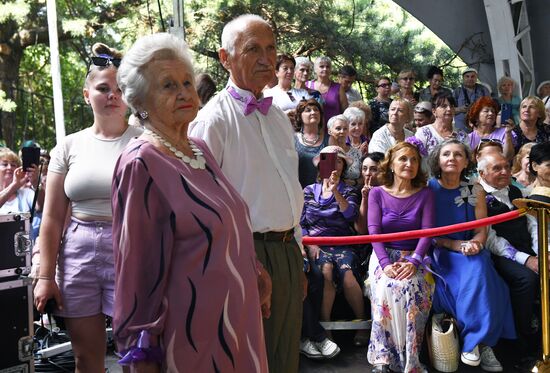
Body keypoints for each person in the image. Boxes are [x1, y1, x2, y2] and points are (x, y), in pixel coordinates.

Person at [111, 33, 268, 372]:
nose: (184, 92)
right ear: (141, 101)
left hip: (238, 324)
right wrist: (142, 354)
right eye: (167, 85)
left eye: (186, 81)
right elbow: (137, 274)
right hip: (192, 340)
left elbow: (225, 224)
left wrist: (254, 269)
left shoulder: (199, 150)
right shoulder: (141, 163)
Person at [188, 14, 305, 373]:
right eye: (252, 49)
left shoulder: (280, 118)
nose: (266, 59)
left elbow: (289, 190)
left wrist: (297, 254)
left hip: (287, 251)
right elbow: (202, 209)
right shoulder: (213, 121)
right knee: (250, 361)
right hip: (244, 255)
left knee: (285, 357)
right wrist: (241, 264)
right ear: (225, 58)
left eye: (271, 49)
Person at [33, 43, 143, 372]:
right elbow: (51, 219)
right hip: (77, 253)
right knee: (86, 359)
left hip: (130, 247)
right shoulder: (67, 146)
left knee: (135, 357)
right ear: (86, 94)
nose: (112, 95)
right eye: (103, 88)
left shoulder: (145, 142)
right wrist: (45, 276)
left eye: (120, 89)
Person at [427, 139, 515, 372]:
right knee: (479, 275)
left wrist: (475, 244)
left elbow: (480, 230)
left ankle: (478, 343)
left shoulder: (472, 189)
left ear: (467, 161)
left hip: (470, 250)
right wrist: (454, 244)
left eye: (458, 154)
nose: (452, 158)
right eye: (446, 154)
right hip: (441, 251)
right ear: (438, 159)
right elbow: (425, 232)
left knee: (480, 268)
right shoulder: (427, 188)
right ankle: (479, 342)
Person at [366, 142, 434, 373]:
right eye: (403, 159)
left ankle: (410, 361)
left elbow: (427, 233)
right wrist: (385, 265)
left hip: (415, 255)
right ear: (391, 164)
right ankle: (382, 358)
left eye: (414, 159)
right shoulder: (377, 193)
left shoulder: (425, 193)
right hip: (383, 254)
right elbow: (374, 232)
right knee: (387, 286)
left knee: (412, 287)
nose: (409, 164)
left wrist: (414, 261)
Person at [301, 146, 367, 348]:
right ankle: (326, 328)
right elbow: (301, 222)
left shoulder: (349, 190)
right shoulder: (309, 190)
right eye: (328, 160)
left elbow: (351, 216)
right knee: (326, 271)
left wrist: (336, 190)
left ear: (343, 166)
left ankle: (362, 325)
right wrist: (308, 243)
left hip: (343, 244)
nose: (333, 165)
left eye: (339, 161)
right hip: (316, 245)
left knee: (347, 274)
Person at [479, 152, 539, 365]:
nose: (505, 172)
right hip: (499, 254)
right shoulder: (478, 196)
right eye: (497, 168)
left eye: (506, 166)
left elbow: (533, 223)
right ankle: (520, 344)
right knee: (527, 279)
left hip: (527, 249)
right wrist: (527, 260)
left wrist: (541, 253)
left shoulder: (516, 190)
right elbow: (491, 240)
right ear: (482, 173)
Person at [414, 92, 468, 160]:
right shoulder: (423, 133)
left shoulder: (462, 136)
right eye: (444, 106)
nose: (449, 109)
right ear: (434, 111)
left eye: (451, 106)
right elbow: (416, 158)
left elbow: (467, 160)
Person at [295, 98, 328, 187]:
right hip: (296, 191)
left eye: (316, 110)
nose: (313, 112)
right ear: (300, 116)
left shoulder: (329, 140)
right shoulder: (292, 138)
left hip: (320, 193)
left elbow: (331, 171)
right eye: (308, 110)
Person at [306, 56, 348, 124]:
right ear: (315, 69)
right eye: (321, 66)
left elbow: (345, 112)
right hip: (311, 129)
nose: (325, 69)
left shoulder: (338, 88)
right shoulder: (307, 85)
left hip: (334, 131)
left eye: (328, 67)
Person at [327, 114, 362, 186]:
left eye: (345, 128)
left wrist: (354, 182)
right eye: (338, 128)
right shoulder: (325, 153)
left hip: (354, 192)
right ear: (330, 131)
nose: (342, 131)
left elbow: (363, 178)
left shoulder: (357, 153)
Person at [453, 67, 491, 131]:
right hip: (462, 127)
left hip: (480, 125)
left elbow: (490, 106)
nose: (470, 79)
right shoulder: (457, 91)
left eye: (473, 76)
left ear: (476, 78)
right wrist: (460, 109)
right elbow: (450, 110)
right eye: (467, 76)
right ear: (463, 78)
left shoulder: (483, 90)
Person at [355, 152, 384, 234]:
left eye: (374, 169)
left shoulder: (390, 192)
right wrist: (365, 198)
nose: (367, 173)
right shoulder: (356, 192)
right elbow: (361, 230)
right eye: (364, 169)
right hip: (365, 243)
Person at [0, 148, 36, 215]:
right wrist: (14, 186)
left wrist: (36, 182)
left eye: (13, 165)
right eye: (5, 164)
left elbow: (40, 207)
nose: (9, 167)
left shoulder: (26, 193)